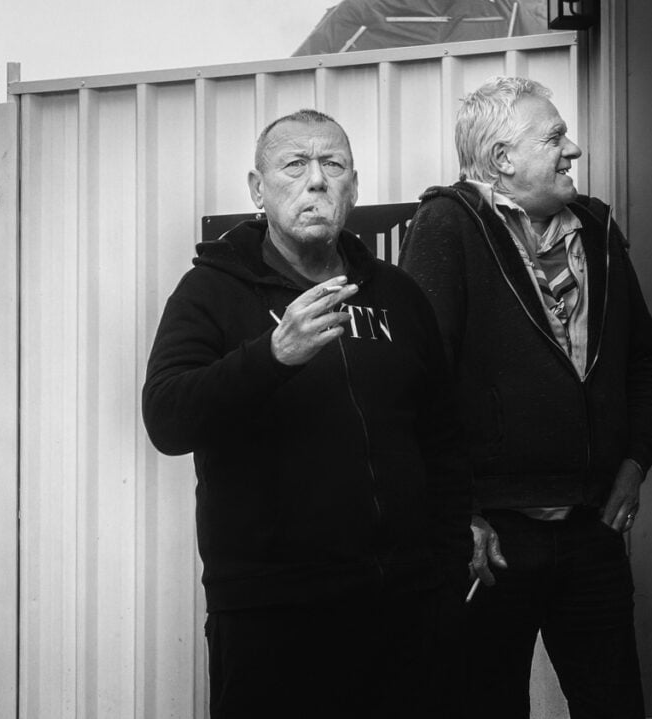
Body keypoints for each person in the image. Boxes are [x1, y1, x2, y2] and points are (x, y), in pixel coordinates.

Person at [142, 108, 471, 718]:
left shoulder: (398, 296)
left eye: (333, 165)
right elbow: (166, 418)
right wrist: (271, 356)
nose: (316, 180)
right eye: (295, 165)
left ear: (354, 187)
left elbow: (443, 442)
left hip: (404, 607)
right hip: (273, 617)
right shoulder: (211, 292)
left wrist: (444, 574)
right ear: (257, 190)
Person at [398, 76, 652, 718]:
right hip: (492, 541)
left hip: (593, 528)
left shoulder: (597, 231)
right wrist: (457, 513)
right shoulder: (447, 226)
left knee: (615, 706)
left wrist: (635, 463)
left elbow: (645, 360)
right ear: (502, 159)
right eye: (554, 137)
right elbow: (415, 385)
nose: (572, 149)